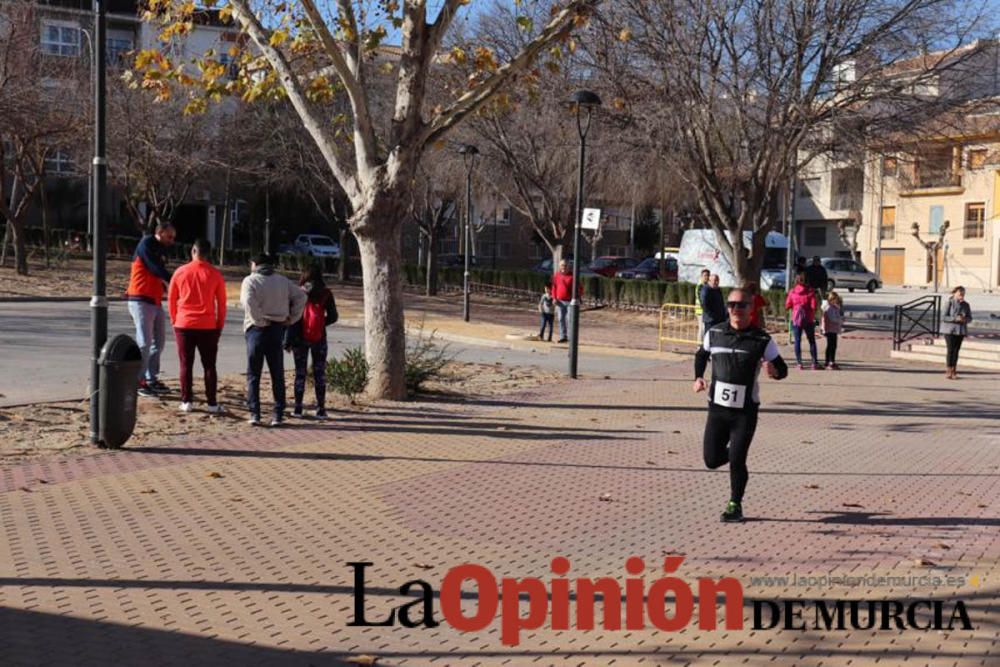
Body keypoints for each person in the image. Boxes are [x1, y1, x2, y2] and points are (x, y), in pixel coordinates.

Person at [694, 287, 788, 523]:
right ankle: (734, 454)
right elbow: (701, 354)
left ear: (751, 309)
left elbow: (782, 370)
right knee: (712, 460)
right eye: (731, 304)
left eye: (741, 305)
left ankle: (735, 504)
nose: (736, 309)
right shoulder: (714, 333)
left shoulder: (762, 340)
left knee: (737, 459)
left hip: (745, 412)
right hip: (717, 410)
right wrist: (698, 376)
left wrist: (774, 372)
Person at [240, 254, 307, 426]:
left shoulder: (250, 281)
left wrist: (259, 321)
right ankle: (278, 413)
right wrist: (292, 318)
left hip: (256, 329)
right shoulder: (282, 281)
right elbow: (301, 296)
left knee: (253, 373)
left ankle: (255, 413)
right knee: (277, 372)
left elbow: (248, 301)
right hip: (278, 327)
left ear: (254, 264)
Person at [167, 238, 227, 413]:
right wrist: (219, 325)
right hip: (207, 325)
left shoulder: (180, 272)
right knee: (209, 365)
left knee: (186, 364)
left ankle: (186, 400)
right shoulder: (215, 274)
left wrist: (174, 319)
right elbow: (221, 304)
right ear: (209, 254)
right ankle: (212, 402)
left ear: (193, 251)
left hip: (184, 323)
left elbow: (171, 299)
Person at [126, 222, 175, 397]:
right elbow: (155, 268)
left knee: (159, 342)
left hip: (155, 301)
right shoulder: (146, 244)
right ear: (160, 233)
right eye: (169, 236)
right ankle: (138, 381)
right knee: (145, 342)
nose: (172, 240)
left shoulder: (162, 250)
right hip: (140, 299)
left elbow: (160, 274)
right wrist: (175, 279)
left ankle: (151, 378)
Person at [285, 265, 338, 418]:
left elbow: (291, 316)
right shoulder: (326, 293)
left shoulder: (298, 292)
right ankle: (321, 409)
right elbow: (334, 316)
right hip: (319, 338)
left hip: (299, 339)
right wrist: (321, 323)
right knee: (319, 373)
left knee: (300, 373)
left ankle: (298, 408)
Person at [785, 271, 820, 370]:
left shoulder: (792, 292)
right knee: (811, 341)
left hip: (796, 319)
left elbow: (787, 305)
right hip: (808, 319)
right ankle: (814, 363)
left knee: (797, 341)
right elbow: (814, 306)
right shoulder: (810, 292)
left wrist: (795, 306)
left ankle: (799, 363)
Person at [943, 286, 972, 379]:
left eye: (963, 294)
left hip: (960, 331)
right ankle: (948, 369)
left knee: (956, 350)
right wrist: (955, 318)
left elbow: (970, 318)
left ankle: (954, 370)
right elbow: (943, 317)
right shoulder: (949, 303)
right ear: (955, 293)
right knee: (950, 350)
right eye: (960, 294)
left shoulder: (966, 305)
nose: (962, 296)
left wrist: (965, 319)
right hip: (949, 330)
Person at [551, 259, 580, 344]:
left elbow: (579, 288)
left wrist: (577, 297)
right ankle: (563, 336)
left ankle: (571, 337)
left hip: (570, 302)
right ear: (560, 266)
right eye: (562, 265)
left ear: (569, 267)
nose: (563, 267)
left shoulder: (573, 276)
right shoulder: (556, 276)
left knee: (570, 319)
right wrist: (554, 297)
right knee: (560, 319)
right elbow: (554, 287)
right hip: (559, 301)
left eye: (565, 265)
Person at [820, 290, 844, 370]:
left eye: (837, 299)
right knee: (830, 345)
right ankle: (827, 362)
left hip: (834, 329)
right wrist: (840, 320)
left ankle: (832, 361)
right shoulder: (829, 308)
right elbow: (832, 318)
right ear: (831, 299)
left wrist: (840, 318)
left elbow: (837, 316)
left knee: (834, 346)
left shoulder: (834, 307)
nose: (836, 301)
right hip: (829, 329)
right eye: (835, 299)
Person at [695, 268, 710, 339]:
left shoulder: (707, 286)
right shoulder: (700, 286)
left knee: (704, 328)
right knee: (702, 328)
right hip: (700, 311)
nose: (706, 277)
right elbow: (701, 299)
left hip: (705, 311)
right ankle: (699, 346)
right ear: (701, 276)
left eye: (708, 275)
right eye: (705, 275)